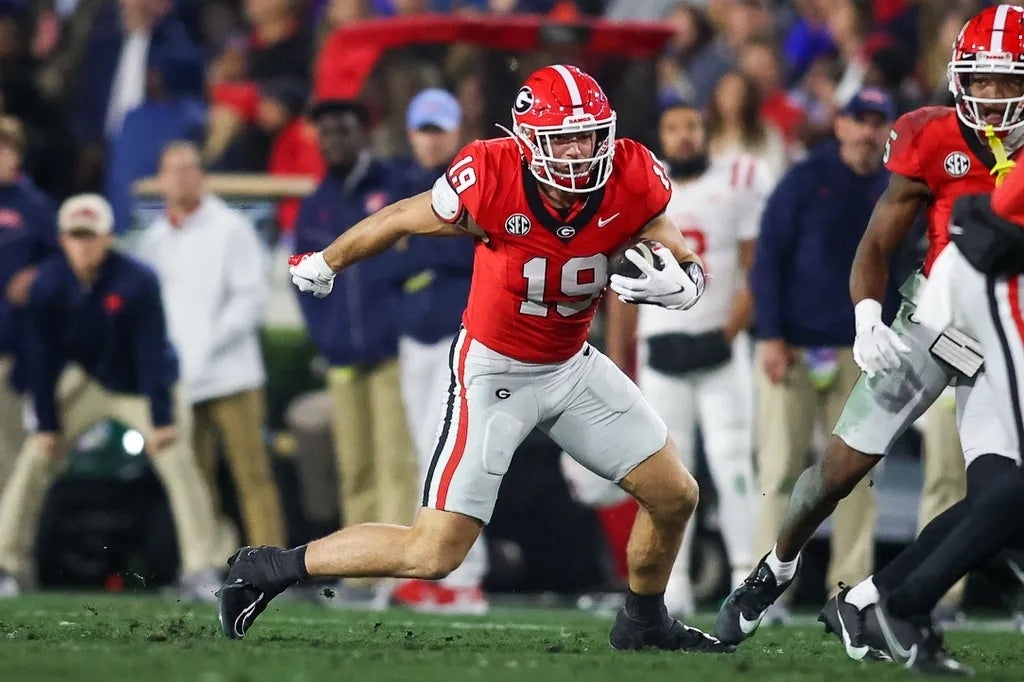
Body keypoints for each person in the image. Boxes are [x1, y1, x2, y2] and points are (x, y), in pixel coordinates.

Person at [218, 64, 732, 654]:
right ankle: (268, 569)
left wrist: (686, 282)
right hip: (495, 371)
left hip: (570, 364)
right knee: (434, 552)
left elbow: (673, 242)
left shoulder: (632, 174)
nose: (578, 150)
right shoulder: (490, 174)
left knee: (675, 494)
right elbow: (399, 217)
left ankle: (643, 619)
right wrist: (327, 262)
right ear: (528, 141)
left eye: (587, 134)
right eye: (562, 137)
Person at [715, 4, 1024, 659]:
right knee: (839, 469)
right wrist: (866, 314)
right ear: (958, 78)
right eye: (981, 79)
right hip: (939, 319)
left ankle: (878, 602)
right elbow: (877, 243)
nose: (992, 96)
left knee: (998, 486)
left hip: (1011, 325)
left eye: (1007, 79)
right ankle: (778, 565)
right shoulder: (932, 136)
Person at [0, 194, 221, 600]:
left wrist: (161, 419)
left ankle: (201, 567)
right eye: (75, 236)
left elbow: (150, 354)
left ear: (107, 238)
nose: (83, 245)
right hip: (88, 380)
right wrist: (47, 423)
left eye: (91, 236)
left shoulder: (137, 280)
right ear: (63, 239)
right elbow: (42, 358)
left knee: (176, 457)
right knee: (36, 454)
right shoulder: (48, 283)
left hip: (141, 384)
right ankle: (6, 566)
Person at [604, 99, 769, 617]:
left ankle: (747, 577)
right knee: (667, 473)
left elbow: (753, 271)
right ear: (661, 133)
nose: (683, 136)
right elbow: (621, 286)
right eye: (673, 127)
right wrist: (615, 357)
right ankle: (668, 585)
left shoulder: (736, 181)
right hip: (662, 349)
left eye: (692, 125)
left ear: (707, 129)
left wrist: (728, 333)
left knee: (731, 462)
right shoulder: (642, 193)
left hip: (718, 346)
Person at [747, 87, 893, 621]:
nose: (868, 132)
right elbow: (768, 257)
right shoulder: (806, 180)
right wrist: (770, 335)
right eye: (860, 121)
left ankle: (851, 588)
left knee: (856, 475)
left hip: (863, 351)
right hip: (797, 345)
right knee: (779, 467)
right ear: (840, 126)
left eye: (878, 122)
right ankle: (765, 586)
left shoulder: (893, 184)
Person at [292, 98, 417, 606]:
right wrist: (328, 339)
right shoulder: (315, 203)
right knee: (356, 467)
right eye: (327, 132)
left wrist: (399, 322)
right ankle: (362, 574)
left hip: (390, 352)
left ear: (362, 133)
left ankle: (399, 575)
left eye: (344, 129)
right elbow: (302, 277)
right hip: (344, 356)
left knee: (395, 461)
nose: (335, 140)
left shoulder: (395, 186)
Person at [137, 141, 286, 549]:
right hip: (183, 380)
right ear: (161, 180)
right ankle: (209, 562)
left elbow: (250, 298)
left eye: (188, 169)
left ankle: (271, 565)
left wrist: (206, 347)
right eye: (172, 170)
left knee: (252, 475)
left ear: (201, 176)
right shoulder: (154, 241)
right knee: (196, 479)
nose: (180, 178)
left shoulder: (230, 228)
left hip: (232, 376)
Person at [389, 88, 489, 615]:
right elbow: (391, 262)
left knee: (454, 450)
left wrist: (417, 247)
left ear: (456, 131)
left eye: (439, 129)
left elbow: (462, 250)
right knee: (428, 451)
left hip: (461, 334)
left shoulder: (474, 179)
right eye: (423, 129)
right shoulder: (401, 183)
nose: (431, 139)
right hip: (417, 334)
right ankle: (441, 568)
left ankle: (464, 574)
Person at [0, 116, 58, 494]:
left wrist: (38, 276)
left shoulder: (35, 207)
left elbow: (64, 262)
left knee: (11, 446)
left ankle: (8, 539)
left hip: (12, 348)